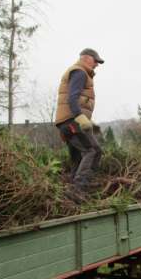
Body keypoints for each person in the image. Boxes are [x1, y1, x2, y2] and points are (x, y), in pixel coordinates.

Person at [54, 48, 104, 200]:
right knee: (93, 151)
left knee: (77, 157)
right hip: (73, 122)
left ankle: (70, 193)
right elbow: (72, 98)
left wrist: (88, 121)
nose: (97, 64)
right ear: (87, 58)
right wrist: (81, 118)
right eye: (96, 61)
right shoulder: (80, 72)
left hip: (66, 123)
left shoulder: (77, 72)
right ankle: (79, 189)